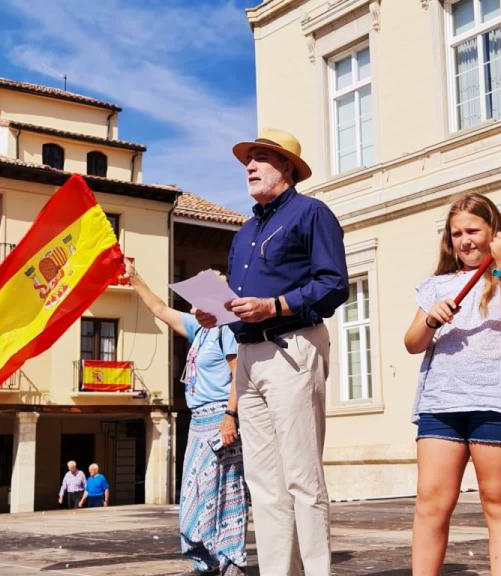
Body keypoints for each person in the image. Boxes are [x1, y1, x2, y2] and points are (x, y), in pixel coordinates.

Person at [195, 128, 348, 576]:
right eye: (249, 159)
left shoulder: (312, 213)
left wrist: (275, 305)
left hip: (292, 348)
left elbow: (333, 284)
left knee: (303, 477)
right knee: (262, 482)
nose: (250, 166)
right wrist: (216, 313)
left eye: (261, 158)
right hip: (248, 356)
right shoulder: (243, 233)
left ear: (287, 168)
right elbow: (242, 302)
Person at [403, 192, 501, 576]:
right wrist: (431, 319)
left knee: (498, 502)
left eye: (472, 231)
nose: (464, 240)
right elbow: (412, 343)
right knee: (431, 502)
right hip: (441, 404)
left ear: (494, 231)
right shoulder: (436, 285)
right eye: (456, 234)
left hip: (497, 400)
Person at [123, 260, 247, 576]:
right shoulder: (198, 329)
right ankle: (206, 561)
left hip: (220, 417)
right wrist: (134, 278)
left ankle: (231, 561)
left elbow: (239, 376)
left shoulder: (225, 329)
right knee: (194, 497)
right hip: (197, 422)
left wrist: (231, 416)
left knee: (224, 491)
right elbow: (160, 309)